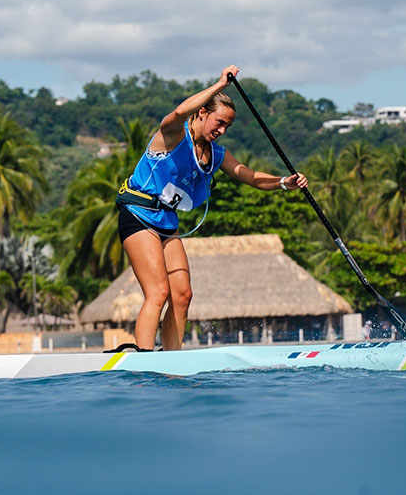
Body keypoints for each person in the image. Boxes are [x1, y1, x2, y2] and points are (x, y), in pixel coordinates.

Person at [116, 65, 308, 351]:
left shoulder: (216, 154)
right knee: (158, 292)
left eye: (227, 127)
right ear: (202, 113)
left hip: (166, 223)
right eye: (218, 122)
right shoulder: (171, 135)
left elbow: (249, 176)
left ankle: (171, 358)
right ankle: (142, 358)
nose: (221, 130)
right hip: (138, 214)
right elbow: (179, 112)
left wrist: (283, 182)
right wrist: (219, 85)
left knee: (182, 295)